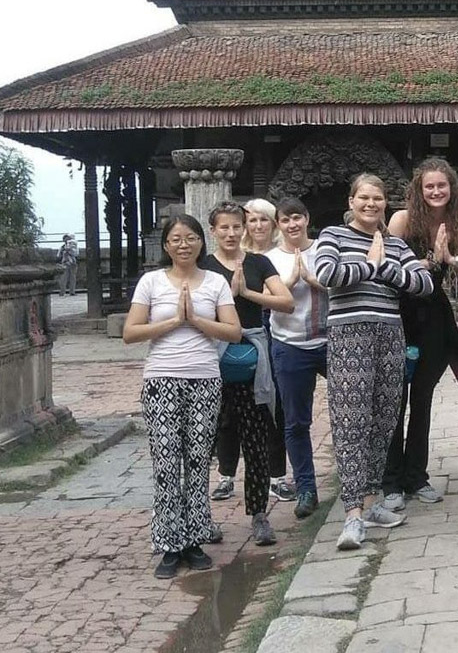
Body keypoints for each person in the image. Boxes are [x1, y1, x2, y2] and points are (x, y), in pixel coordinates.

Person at [316, 173, 434, 550]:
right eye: (363, 198)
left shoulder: (397, 244)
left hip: (389, 334)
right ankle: (352, 514)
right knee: (351, 421)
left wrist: (384, 268)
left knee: (384, 420)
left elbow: (425, 284)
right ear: (350, 202)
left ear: (386, 203)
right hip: (349, 334)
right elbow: (327, 274)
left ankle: (370, 500)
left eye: (378, 199)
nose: (371, 204)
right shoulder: (332, 236)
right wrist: (371, 267)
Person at [122, 214, 241, 579]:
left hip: (204, 379)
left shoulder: (216, 282)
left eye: (190, 238)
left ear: (201, 242)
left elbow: (233, 332)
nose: (183, 244)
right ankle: (169, 542)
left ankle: (194, 538)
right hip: (162, 380)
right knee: (166, 461)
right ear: (166, 246)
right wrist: (174, 321)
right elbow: (130, 332)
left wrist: (195, 320)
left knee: (197, 460)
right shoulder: (151, 282)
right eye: (176, 239)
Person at [382, 158, 458, 512]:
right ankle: (391, 480)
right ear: (419, 190)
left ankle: (416, 476)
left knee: (421, 399)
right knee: (394, 400)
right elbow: (385, 264)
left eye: (442, 186)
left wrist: (454, 259)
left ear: (452, 189)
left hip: (434, 316)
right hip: (399, 314)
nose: (436, 191)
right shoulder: (403, 220)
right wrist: (422, 264)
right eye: (429, 186)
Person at [203, 201, 294, 547]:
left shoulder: (258, 262)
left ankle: (258, 513)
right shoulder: (204, 267)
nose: (230, 233)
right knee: (208, 436)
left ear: (245, 229)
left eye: (236, 227)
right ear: (212, 231)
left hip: (252, 356)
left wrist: (246, 294)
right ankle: (203, 517)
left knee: (257, 438)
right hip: (210, 358)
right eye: (223, 227)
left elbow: (286, 301)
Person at [266, 197, 329, 520]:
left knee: (353, 408)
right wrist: (289, 283)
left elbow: (344, 286)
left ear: (307, 219)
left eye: (297, 218)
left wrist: (314, 281)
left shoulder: (324, 249)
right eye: (285, 220)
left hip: (330, 340)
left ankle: (359, 479)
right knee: (295, 421)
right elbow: (264, 303)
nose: (292, 225)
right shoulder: (268, 259)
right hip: (289, 344)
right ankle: (306, 487)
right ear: (278, 224)